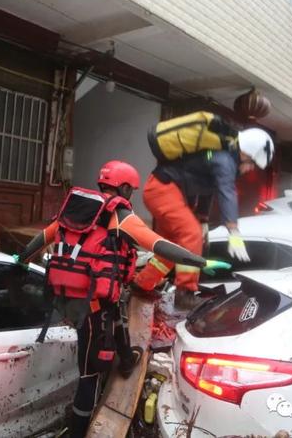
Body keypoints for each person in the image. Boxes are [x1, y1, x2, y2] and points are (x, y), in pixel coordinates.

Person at [15, 160, 228, 438]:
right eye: (131, 190)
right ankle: (78, 431)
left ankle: (126, 358)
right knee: (90, 374)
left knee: (115, 316)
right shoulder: (120, 216)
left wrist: (20, 258)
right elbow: (157, 244)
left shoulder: (78, 209)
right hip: (93, 303)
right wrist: (199, 261)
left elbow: (44, 236)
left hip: (72, 297)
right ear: (125, 188)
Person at [135, 123, 274, 293]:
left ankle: (142, 283)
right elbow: (226, 192)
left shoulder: (223, 158)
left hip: (164, 190)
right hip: (163, 189)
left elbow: (208, 189)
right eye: (252, 163)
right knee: (191, 234)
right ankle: (185, 292)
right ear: (245, 153)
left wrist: (203, 220)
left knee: (173, 248)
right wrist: (233, 231)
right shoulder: (225, 160)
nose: (251, 168)